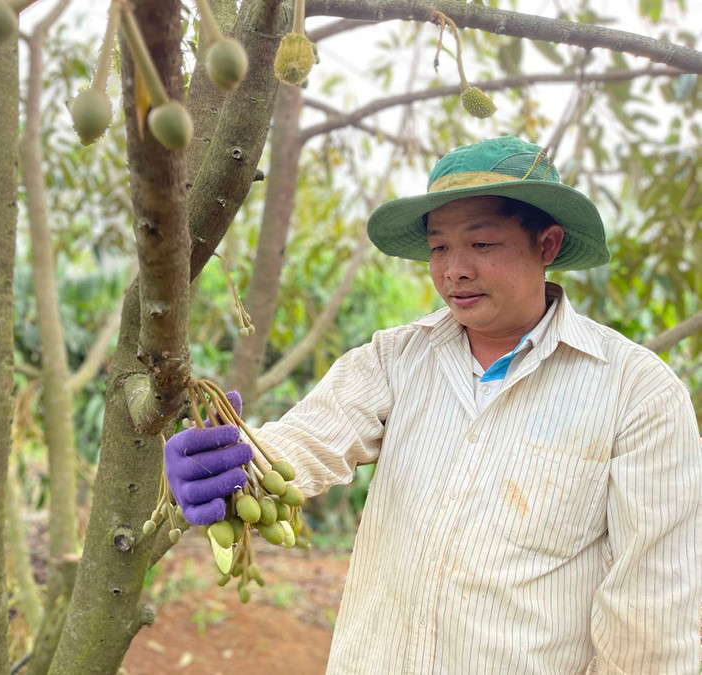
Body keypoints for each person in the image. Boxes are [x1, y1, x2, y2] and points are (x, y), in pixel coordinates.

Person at [163, 136, 702, 673]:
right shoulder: (395, 359)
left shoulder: (635, 392)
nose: (454, 270)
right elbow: (309, 439)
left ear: (548, 245)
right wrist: (232, 460)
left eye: (482, 245)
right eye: (439, 248)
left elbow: (652, 616)